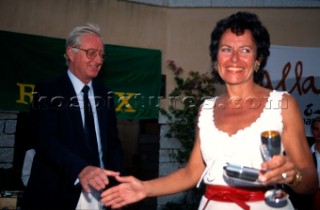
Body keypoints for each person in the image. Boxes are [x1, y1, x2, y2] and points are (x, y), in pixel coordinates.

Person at [99, 12, 318, 210]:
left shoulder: (282, 104)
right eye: (226, 49)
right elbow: (192, 173)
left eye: (245, 50)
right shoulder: (206, 109)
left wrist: (293, 176)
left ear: (258, 59)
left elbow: (310, 181)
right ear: (216, 60)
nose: (234, 58)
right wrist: (145, 188)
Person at [20, 23, 123, 210]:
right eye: (91, 53)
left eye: (101, 54)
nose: (98, 60)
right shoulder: (48, 91)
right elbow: (45, 140)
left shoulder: (105, 95)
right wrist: (80, 170)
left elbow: (113, 144)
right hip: (58, 194)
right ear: (71, 53)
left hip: (102, 196)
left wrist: (116, 182)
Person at [310, 116, 320, 210]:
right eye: (316, 129)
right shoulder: (306, 154)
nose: (319, 132)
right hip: (311, 198)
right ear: (312, 131)